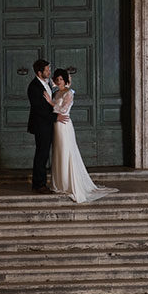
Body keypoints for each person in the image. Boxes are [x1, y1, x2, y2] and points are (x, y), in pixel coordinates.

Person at [49, 68, 117, 204]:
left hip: (65, 125)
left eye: (61, 79)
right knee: (58, 152)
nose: (58, 81)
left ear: (65, 80)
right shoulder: (56, 93)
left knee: (66, 151)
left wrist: (50, 102)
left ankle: (69, 184)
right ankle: (60, 183)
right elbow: (54, 110)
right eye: (57, 79)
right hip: (56, 125)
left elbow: (63, 110)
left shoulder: (69, 93)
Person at [26, 59, 55, 192]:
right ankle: (39, 184)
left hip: (48, 124)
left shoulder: (47, 83)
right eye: (47, 70)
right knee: (42, 154)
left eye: (49, 69)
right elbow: (39, 108)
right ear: (39, 72)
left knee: (44, 154)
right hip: (41, 125)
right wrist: (56, 117)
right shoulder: (34, 87)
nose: (49, 71)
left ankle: (41, 183)